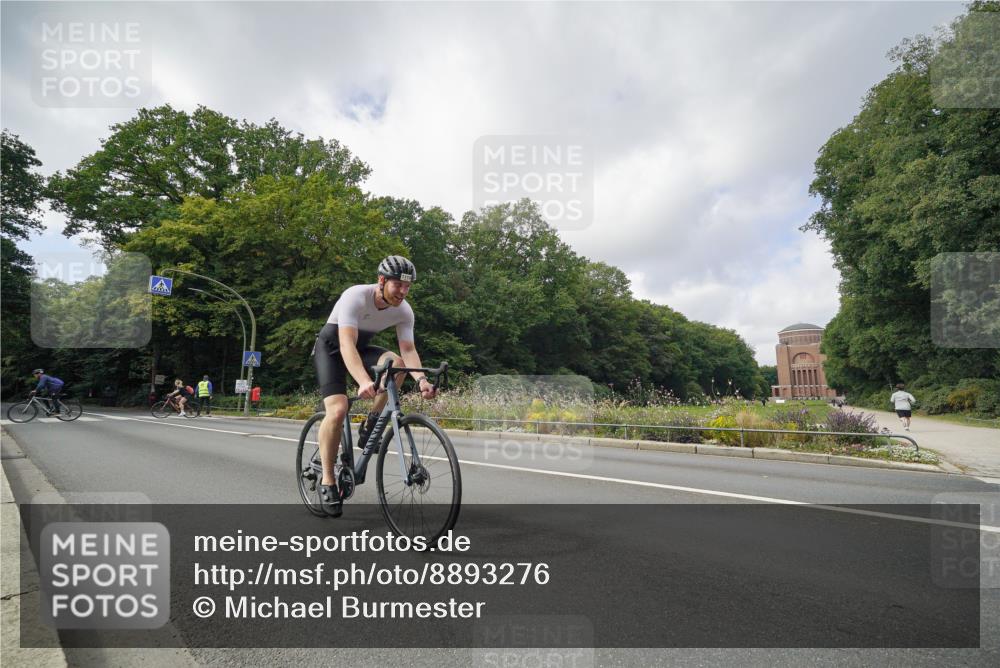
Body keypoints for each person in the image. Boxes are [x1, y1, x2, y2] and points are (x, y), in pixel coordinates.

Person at [312, 255, 438, 517]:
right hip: (332, 349)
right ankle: (327, 479)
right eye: (397, 286)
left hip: (362, 348)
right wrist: (363, 381)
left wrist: (422, 381)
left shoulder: (404, 310)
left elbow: (408, 348)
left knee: (398, 363)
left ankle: (370, 425)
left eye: (408, 287)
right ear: (381, 281)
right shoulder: (355, 296)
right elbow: (346, 344)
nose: (403, 292)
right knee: (337, 410)